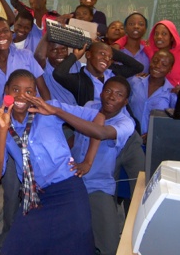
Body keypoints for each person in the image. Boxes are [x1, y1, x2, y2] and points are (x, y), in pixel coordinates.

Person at [0, 69, 98, 255]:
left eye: (29, 91)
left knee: (77, 246)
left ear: (36, 94)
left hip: (68, 189)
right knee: (14, 248)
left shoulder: (49, 110)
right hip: (34, 196)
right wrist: (2, 130)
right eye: (15, 89)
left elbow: (96, 118)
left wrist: (88, 160)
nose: (22, 95)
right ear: (6, 91)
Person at [0, 16, 51, 255]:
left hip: (31, 127)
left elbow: (43, 91)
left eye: (5, 30)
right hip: (5, 133)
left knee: (40, 188)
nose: (2, 35)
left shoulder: (25, 57)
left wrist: (49, 117)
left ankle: (36, 237)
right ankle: (8, 240)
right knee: (11, 192)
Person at [67, 76, 135, 255]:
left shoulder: (126, 123)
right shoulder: (90, 106)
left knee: (110, 245)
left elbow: (100, 132)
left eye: (119, 95)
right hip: (71, 179)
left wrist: (58, 112)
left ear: (125, 101)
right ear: (101, 92)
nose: (112, 97)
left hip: (97, 185)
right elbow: (77, 135)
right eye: (108, 91)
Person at [53, 41, 144, 106]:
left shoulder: (113, 72)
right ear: (88, 55)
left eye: (110, 57)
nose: (107, 59)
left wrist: (107, 48)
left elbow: (138, 67)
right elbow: (59, 74)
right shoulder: (79, 81)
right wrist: (75, 56)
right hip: (95, 127)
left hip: (123, 122)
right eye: (102, 54)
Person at [128, 49, 177, 142]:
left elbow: (173, 123)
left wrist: (155, 133)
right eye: (155, 61)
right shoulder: (135, 82)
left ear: (170, 70)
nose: (158, 66)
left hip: (156, 142)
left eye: (164, 65)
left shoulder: (171, 93)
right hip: (130, 140)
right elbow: (124, 108)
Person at [143, 20, 180, 90]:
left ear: (172, 37)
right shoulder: (150, 53)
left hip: (176, 99)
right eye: (156, 34)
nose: (159, 37)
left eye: (164, 34)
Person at [34, 32, 80, 105]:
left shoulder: (75, 65)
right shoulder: (43, 67)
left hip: (73, 111)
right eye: (54, 50)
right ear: (47, 52)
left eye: (63, 49)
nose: (60, 53)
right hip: (52, 111)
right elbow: (39, 56)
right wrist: (51, 30)